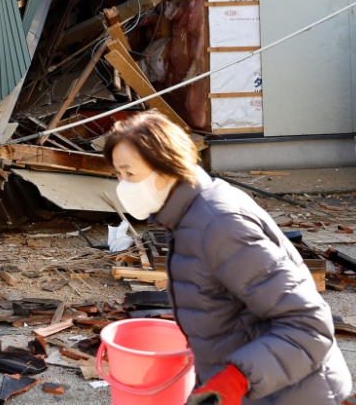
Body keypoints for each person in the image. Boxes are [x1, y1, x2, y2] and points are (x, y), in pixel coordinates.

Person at [103, 111, 352, 405]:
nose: (123, 186)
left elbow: (308, 326)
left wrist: (236, 378)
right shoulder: (188, 217)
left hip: (291, 393)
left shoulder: (219, 226)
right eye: (118, 175)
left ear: (167, 167)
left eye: (130, 174)